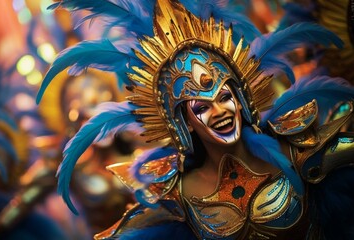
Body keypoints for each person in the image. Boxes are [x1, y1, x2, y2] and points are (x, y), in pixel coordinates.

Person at [37, 0, 354, 239]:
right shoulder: (178, 199)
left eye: (224, 96)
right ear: (182, 122)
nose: (219, 112)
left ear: (242, 97)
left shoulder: (296, 149)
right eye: (201, 107)